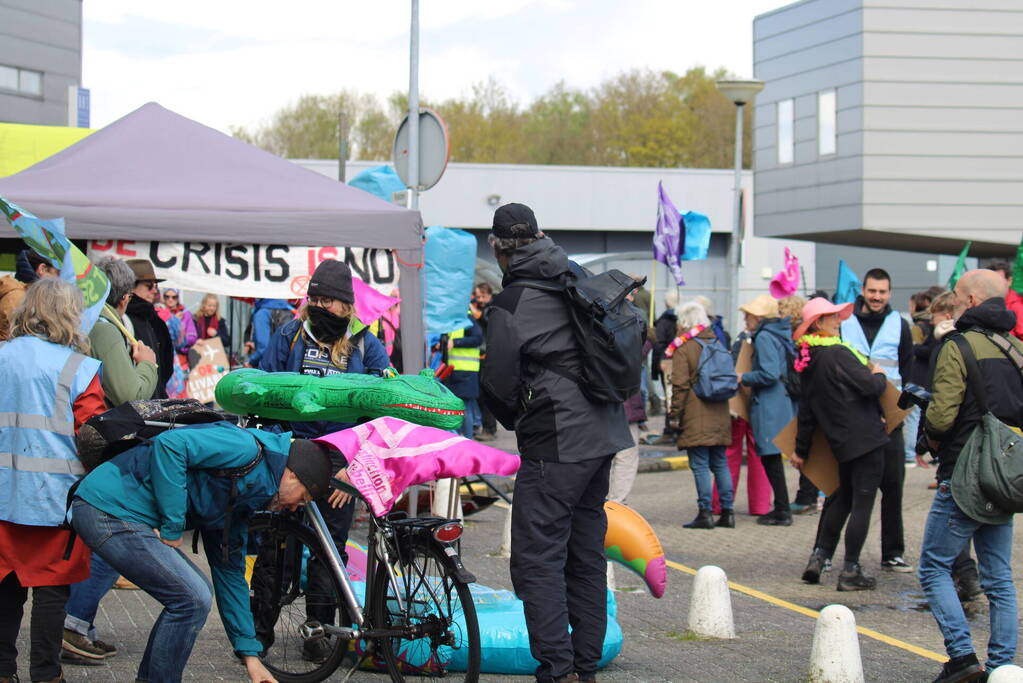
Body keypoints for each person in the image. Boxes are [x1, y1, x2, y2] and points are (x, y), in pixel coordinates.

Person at [480, 203, 632, 683]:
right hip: (605, 432)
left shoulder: (511, 303)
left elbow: (496, 384)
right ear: (541, 236)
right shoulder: (577, 275)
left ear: (498, 249)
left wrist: (518, 418)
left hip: (557, 440)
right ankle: (584, 670)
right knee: (585, 555)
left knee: (537, 559)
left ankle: (558, 672)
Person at [70, 421, 336, 683]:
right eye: (302, 498)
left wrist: (251, 657)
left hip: (119, 513)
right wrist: (173, 525)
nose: (294, 507)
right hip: (106, 507)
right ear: (292, 475)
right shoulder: (245, 448)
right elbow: (171, 445)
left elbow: (230, 574)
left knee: (194, 595)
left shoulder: (247, 497)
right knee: (192, 596)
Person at [259, 259, 389, 662]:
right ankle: (257, 634)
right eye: (312, 299)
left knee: (328, 551)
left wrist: (355, 467)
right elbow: (267, 391)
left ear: (345, 305)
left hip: (339, 461)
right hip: (292, 453)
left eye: (326, 301)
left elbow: (380, 412)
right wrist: (279, 454)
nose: (318, 307)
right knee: (276, 545)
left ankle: (319, 632)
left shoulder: (366, 344)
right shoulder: (289, 335)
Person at [919, 269, 1023, 682]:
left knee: (933, 567)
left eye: (959, 296)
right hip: (1005, 476)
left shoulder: (957, 345)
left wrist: (929, 433)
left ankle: (962, 657)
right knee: (999, 579)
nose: (954, 302)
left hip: (963, 473)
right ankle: (1001, 666)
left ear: (973, 301)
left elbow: (942, 417)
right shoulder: (1016, 348)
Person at [0, 279, 105, 683]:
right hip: (55, 501)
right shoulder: (78, 367)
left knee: (6, 587)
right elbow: (93, 437)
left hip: (4, 496)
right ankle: (46, 674)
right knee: (52, 592)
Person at [60, 257, 160, 665]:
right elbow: (130, 393)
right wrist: (147, 365)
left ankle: (76, 622)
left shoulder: (88, 321)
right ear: (124, 297)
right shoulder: (104, 327)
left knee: (95, 534)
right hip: (103, 444)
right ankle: (73, 623)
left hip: (84, 441)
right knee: (114, 535)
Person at [792, 298, 889, 591]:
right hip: (866, 438)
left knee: (842, 498)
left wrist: (801, 449)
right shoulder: (838, 353)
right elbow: (870, 387)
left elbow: (806, 412)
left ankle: (819, 558)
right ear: (818, 323)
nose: (839, 321)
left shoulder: (809, 360)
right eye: (832, 317)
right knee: (862, 503)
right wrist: (879, 375)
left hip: (840, 442)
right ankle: (850, 571)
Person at [839, 268, 914, 573]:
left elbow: (908, 371)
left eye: (882, 292)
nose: (877, 297)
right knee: (844, 489)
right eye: (872, 291)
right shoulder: (845, 322)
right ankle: (827, 553)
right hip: (855, 417)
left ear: (889, 293)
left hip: (890, 419)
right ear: (863, 291)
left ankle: (893, 552)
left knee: (893, 487)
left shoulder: (900, 325)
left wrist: (899, 411)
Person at [668, 302, 734, 529]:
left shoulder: (684, 348)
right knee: (720, 463)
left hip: (695, 413)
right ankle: (728, 512)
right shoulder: (717, 343)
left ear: (684, 321)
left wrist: (674, 415)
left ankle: (705, 512)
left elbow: (680, 386)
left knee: (700, 465)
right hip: (720, 411)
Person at [737, 294, 796, 526]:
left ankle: (782, 510)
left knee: (770, 457)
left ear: (758, 317)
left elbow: (769, 373)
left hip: (768, 404)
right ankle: (782, 507)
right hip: (781, 401)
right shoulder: (779, 333)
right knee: (772, 458)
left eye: (748, 316)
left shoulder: (763, 337)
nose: (746, 320)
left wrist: (744, 377)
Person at [124, 259, 174, 399]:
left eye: (155, 286)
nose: (154, 290)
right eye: (149, 286)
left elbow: (166, 365)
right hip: (136, 398)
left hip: (154, 396)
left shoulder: (155, 321)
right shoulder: (121, 318)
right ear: (131, 287)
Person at [442, 314, 484, 439]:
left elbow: (477, 339)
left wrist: (455, 342)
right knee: (458, 409)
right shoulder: (452, 318)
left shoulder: (467, 318)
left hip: (466, 371)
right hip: (453, 371)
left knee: (465, 409)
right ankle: (462, 439)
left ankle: (467, 439)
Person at [649, 291, 679, 445]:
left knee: (669, 397)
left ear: (666, 303)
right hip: (679, 362)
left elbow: (659, 344)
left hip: (666, 363)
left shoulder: (664, 322)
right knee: (677, 397)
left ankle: (669, 431)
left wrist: (655, 368)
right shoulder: (681, 319)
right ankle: (677, 430)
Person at [471, 283, 498, 441]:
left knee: (487, 395)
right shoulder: (480, 308)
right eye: (478, 296)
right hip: (478, 357)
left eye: (483, 296)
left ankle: (489, 428)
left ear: (490, 295)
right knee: (480, 395)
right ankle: (484, 426)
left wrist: (477, 313)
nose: (480, 300)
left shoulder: (492, 308)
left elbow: (488, 321)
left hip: (488, 357)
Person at [245, 298, 294, 368]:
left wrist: (251, 362)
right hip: (287, 363)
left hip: (268, 365)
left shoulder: (262, 314)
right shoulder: (290, 310)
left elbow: (263, 348)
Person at [988, 259, 1023, 340]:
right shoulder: (981, 303)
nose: (994, 284)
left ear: (1009, 281)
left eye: (999, 280)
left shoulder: (1017, 307)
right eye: (991, 280)